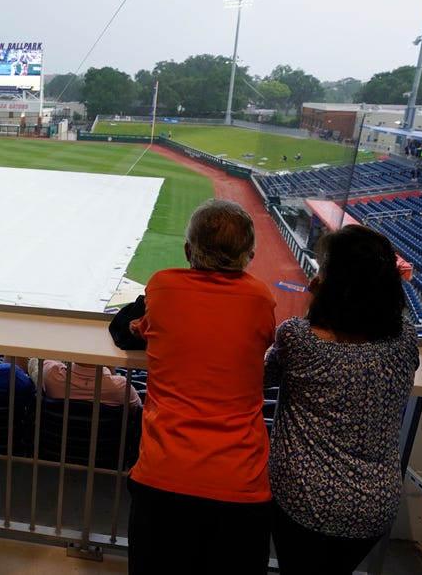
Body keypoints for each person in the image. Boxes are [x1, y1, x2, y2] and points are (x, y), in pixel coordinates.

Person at [125, 198, 277, 575]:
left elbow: (141, 329)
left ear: (188, 251)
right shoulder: (261, 298)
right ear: (249, 256)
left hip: (163, 475)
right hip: (240, 483)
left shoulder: (162, 286)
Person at [266, 225, 419, 575]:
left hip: (305, 501)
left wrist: (314, 306)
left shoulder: (297, 337)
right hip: (376, 507)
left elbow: (263, 377)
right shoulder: (406, 339)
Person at [38, 360, 142, 407]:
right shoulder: (121, 388)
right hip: (106, 449)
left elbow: (45, 361)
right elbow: (136, 412)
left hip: (56, 446)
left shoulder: (51, 374)